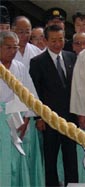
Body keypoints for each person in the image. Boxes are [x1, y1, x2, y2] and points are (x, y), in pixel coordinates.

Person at [29, 25, 78, 186]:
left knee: (71, 156)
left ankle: (73, 184)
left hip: (70, 118)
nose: (58, 44)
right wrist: (39, 117)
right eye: (54, 40)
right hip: (49, 118)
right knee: (50, 158)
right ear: (45, 41)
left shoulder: (72, 57)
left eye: (61, 39)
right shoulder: (37, 62)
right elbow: (34, 92)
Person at [0, 31, 38, 186]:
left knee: (17, 160)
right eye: (8, 47)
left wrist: (27, 119)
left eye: (15, 47)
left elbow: (30, 95)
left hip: (18, 118)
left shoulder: (20, 67)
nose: (12, 51)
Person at [11, 15, 44, 186]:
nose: (24, 36)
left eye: (27, 32)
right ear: (12, 30)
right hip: (7, 113)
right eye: (20, 31)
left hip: (27, 113)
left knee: (28, 151)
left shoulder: (36, 52)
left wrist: (33, 116)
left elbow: (33, 90)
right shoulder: (5, 55)